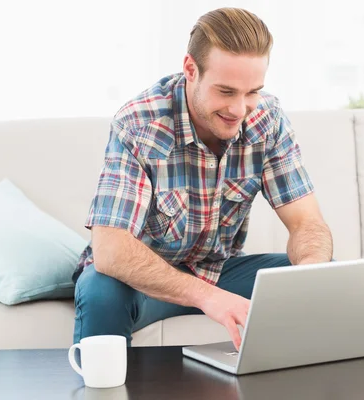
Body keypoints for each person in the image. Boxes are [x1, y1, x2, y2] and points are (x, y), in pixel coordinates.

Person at [72, 7, 333, 351]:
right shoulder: (139, 124)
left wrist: (310, 271)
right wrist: (208, 297)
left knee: (324, 280)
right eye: (226, 92)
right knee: (99, 290)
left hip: (220, 270)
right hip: (144, 279)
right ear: (190, 70)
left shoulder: (267, 119)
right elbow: (110, 249)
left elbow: (307, 224)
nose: (240, 110)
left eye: (252, 91)